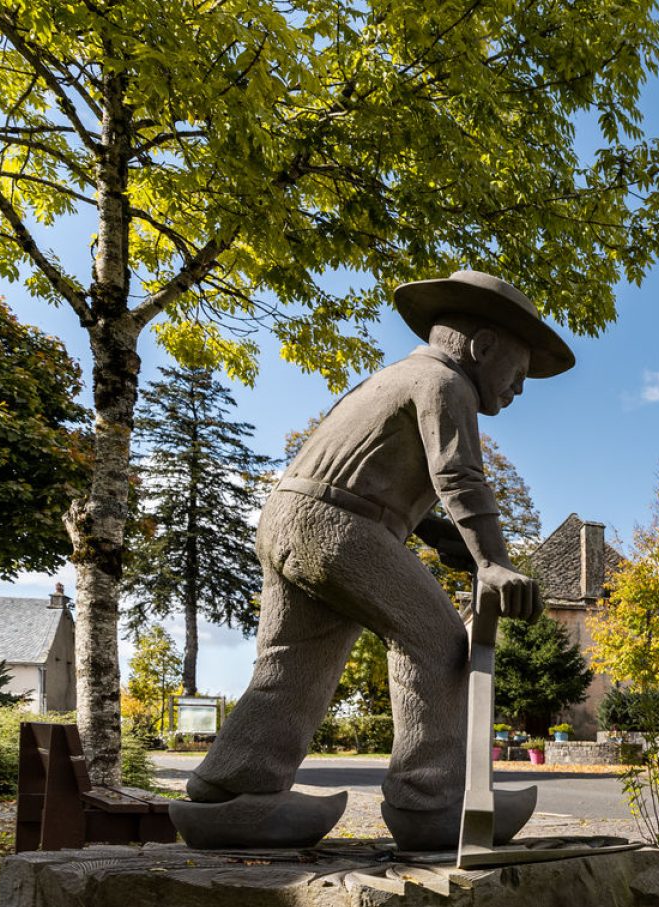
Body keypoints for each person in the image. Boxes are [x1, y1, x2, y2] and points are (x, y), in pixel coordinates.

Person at [177, 271, 573, 850]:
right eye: (518, 371)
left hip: (293, 516)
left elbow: (369, 476)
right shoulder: (445, 382)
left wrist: (439, 533)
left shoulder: (391, 378)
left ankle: (234, 795)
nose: (518, 389)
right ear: (483, 346)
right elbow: (459, 474)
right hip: (341, 527)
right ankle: (430, 804)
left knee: (291, 664)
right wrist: (493, 560)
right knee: (436, 642)